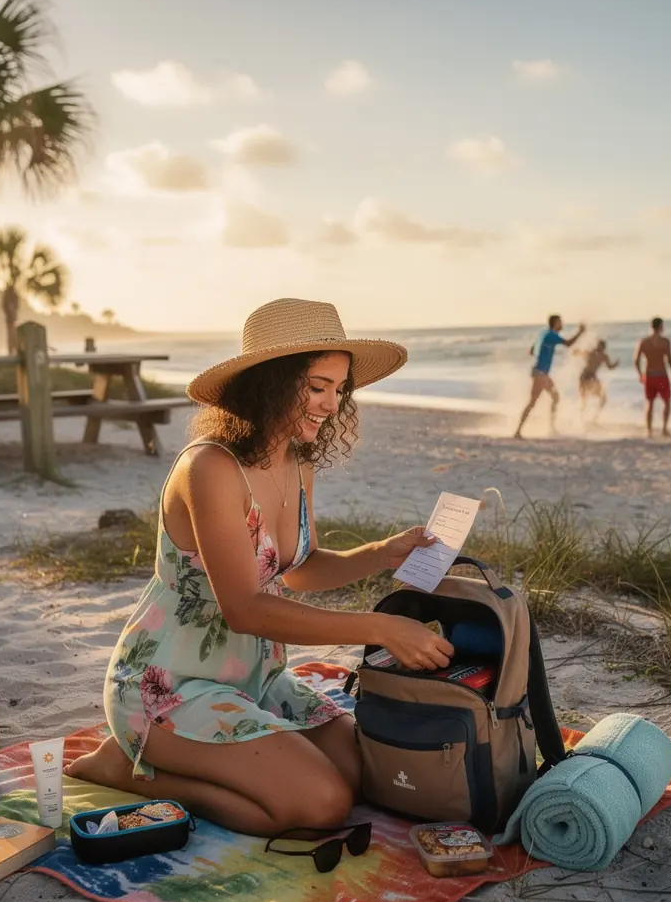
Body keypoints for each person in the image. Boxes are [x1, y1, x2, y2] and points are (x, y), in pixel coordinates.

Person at [67, 298, 454, 836]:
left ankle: (181, 758)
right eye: (317, 386)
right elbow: (245, 607)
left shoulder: (297, 462)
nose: (330, 404)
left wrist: (382, 554)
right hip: (168, 686)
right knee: (322, 805)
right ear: (271, 381)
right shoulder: (211, 468)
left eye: (338, 390)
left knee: (367, 775)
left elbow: (299, 569)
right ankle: (132, 770)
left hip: (255, 678)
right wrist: (380, 627)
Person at [513, 314, 586, 437]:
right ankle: (518, 431)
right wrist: (580, 332)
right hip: (540, 373)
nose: (562, 324)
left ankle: (551, 428)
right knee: (533, 402)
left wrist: (543, 353)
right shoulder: (552, 335)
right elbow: (568, 343)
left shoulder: (544, 334)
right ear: (555, 323)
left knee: (555, 397)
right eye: (560, 322)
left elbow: (531, 351)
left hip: (542, 373)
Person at [634, 317, 671, 437]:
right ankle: (664, 428)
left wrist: (640, 374)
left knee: (650, 403)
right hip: (661, 375)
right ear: (661, 326)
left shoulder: (643, 341)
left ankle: (649, 431)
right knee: (667, 402)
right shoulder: (665, 341)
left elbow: (636, 360)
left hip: (649, 375)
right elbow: (670, 360)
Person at [577, 338, 619, 423]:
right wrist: (615, 364)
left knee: (587, 399)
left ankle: (589, 419)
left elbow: (610, 367)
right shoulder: (600, 355)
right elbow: (610, 367)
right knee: (594, 399)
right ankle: (589, 419)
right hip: (588, 377)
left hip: (586, 376)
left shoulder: (595, 353)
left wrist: (615, 365)